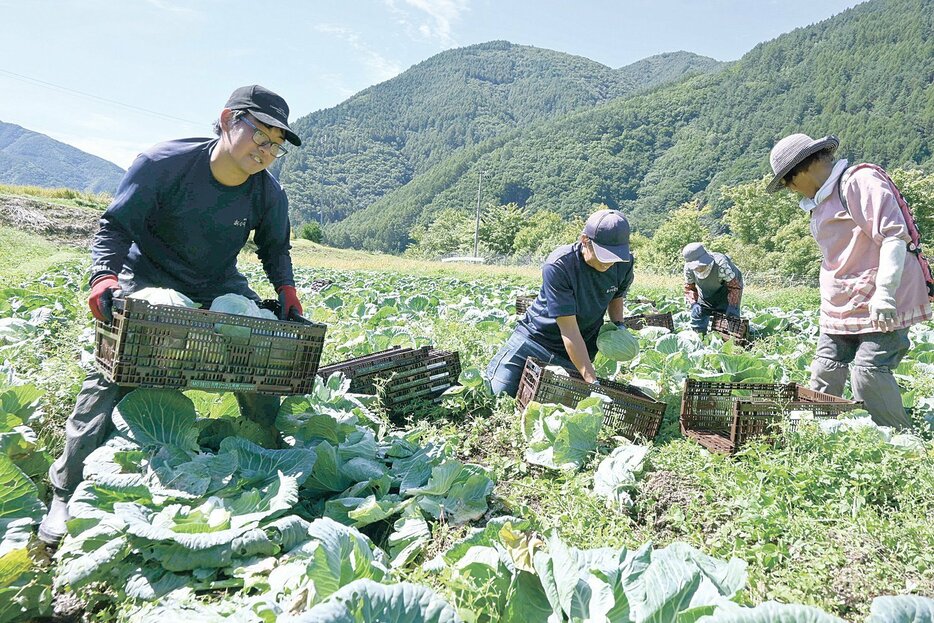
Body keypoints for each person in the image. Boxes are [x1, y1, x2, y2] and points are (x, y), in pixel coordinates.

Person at [38, 85, 305, 545]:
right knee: (117, 366)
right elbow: (115, 226)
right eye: (259, 136)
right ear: (227, 120)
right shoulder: (164, 163)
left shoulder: (267, 192)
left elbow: (274, 247)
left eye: (275, 146)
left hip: (216, 282)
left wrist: (286, 290)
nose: (265, 151)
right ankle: (66, 489)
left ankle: (267, 447)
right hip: (147, 276)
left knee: (257, 351)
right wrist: (103, 277)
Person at [766, 132, 932, 429]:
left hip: (878, 298)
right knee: (825, 368)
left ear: (804, 167)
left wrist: (885, 293)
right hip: (841, 304)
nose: (790, 190)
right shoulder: (819, 201)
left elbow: (893, 237)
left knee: (869, 372)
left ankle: (898, 442)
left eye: (788, 181)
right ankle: (816, 433)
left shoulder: (858, 181)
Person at [486, 208, 634, 397]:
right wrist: (592, 382)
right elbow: (569, 330)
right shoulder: (560, 265)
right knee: (497, 394)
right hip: (534, 341)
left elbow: (616, 295)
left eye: (615, 256)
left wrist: (618, 328)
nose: (610, 263)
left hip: (575, 354)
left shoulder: (624, 262)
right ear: (585, 240)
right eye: (604, 255)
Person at [682, 242, 743, 334]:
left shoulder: (721, 265)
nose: (698, 268)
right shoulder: (688, 269)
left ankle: (733, 340)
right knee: (698, 313)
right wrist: (693, 303)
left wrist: (732, 306)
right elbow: (690, 288)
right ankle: (700, 336)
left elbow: (734, 287)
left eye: (700, 265)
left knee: (731, 317)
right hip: (705, 289)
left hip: (727, 288)